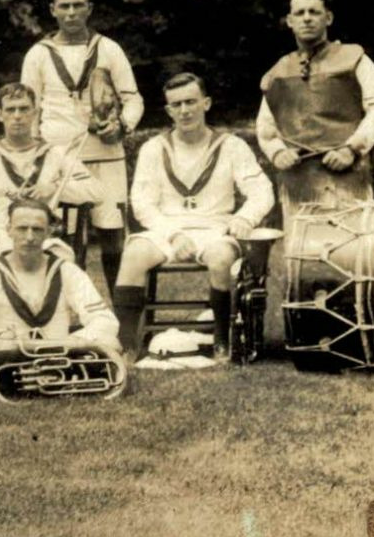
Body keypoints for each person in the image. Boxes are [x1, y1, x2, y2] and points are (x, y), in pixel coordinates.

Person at [110, 73, 275, 357]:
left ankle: (222, 341)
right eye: (177, 105)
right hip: (167, 229)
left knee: (221, 259)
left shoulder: (231, 146)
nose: (184, 110)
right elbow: (142, 203)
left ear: (206, 103)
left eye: (191, 102)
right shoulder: (153, 148)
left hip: (215, 229)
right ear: (169, 110)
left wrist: (245, 218)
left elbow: (263, 190)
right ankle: (125, 346)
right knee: (133, 254)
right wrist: (173, 235)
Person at [20, 0, 144, 289]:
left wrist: (123, 125)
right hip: (61, 160)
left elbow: (133, 98)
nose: (72, 12)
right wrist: (37, 158)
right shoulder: (38, 54)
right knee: (67, 242)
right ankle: (71, 317)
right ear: (53, 10)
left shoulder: (108, 48)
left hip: (106, 155)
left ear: (89, 9)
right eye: (65, 6)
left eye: (78, 5)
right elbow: (28, 108)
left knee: (114, 240)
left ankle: (121, 319)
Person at [255, 0, 374, 209]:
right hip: (296, 182)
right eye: (300, 13)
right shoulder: (277, 73)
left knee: (350, 241)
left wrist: (351, 150)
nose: (307, 19)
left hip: (347, 175)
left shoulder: (355, 59)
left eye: (314, 12)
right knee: (301, 241)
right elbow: (266, 127)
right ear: (290, 21)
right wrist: (277, 152)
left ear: (328, 18)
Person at [0, 197, 121, 359]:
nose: (29, 237)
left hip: (59, 355)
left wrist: (74, 341)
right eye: (22, 228)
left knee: (111, 342)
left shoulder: (66, 271)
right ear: (8, 230)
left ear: (48, 232)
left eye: (37, 229)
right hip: (7, 357)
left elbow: (105, 320)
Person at [0, 82, 104, 256]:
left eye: (24, 109)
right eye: (10, 110)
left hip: (42, 238)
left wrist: (54, 188)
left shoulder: (56, 153)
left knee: (59, 258)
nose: (17, 116)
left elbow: (97, 192)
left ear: (35, 113)